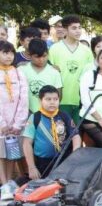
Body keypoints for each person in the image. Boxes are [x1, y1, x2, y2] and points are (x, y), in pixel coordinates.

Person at [22, 86, 80, 180]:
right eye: (48, 99)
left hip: (64, 160)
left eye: (55, 99)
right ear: (40, 101)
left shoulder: (64, 116)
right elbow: (26, 143)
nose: (52, 102)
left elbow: (75, 136)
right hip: (43, 163)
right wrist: (32, 167)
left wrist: (75, 153)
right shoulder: (35, 118)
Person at [48, 15, 93, 120]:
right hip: (60, 100)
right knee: (61, 133)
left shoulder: (86, 51)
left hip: (81, 100)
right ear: (65, 30)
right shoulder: (54, 49)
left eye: (79, 27)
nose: (78, 31)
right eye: (74, 28)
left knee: (77, 134)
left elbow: (90, 74)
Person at [0, 41, 28, 185]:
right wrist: (2, 123)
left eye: (11, 53)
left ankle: (10, 181)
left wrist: (18, 123)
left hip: (15, 123)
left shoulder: (18, 73)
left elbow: (24, 99)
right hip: (1, 123)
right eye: (5, 53)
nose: (8, 56)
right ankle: (3, 183)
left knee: (12, 151)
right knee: (1, 154)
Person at [20, 38, 62, 113]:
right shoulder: (21, 70)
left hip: (47, 114)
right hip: (25, 113)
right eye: (37, 57)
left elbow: (59, 95)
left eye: (44, 56)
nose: (41, 60)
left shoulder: (54, 72)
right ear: (30, 55)